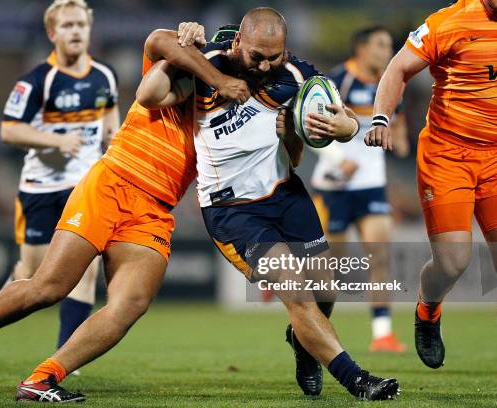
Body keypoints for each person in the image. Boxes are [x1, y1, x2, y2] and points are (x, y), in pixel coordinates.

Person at [0, 21, 251, 402]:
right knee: (49, 288)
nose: (240, 74)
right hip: (112, 183)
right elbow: (157, 41)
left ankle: (42, 379)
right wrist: (205, 63)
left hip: (155, 209)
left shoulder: (236, 112)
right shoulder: (179, 78)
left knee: (130, 304)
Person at [193, 7, 399, 401]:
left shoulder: (298, 76)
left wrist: (346, 127)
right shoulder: (204, 67)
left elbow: (342, 119)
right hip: (233, 209)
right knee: (297, 292)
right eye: (257, 56)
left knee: (326, 291)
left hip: (287, 196)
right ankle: (357, 380)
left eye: (276, 55)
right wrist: (183, 38)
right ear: (238, 42)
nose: (267, 64)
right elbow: (153, 78)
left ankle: (304, 346)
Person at [365, 0, 497, 369]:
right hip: (448, 156)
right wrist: (380, 118)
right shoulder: (448, 22)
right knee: (454, 262)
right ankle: (428, 310)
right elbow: (398, 68)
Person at [0, 0, 119, 356]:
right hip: (39, 189)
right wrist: (57, 139)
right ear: (52, 33)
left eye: (81, 24)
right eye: (67, 25)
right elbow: (9, 131)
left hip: (83, 187)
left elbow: (110, 125)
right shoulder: (37, 80)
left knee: (84, 272)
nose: (76, 31)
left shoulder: (105, 75)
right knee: (34, 280)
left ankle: (63, 361)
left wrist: (114, 148)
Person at [311, 26, 408, 353]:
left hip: (371, 186)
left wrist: (402, 138)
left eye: (389, 45)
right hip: (335, 186)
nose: (387, 51)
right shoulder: (337, 81)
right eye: (381, 45)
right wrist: (339, 159)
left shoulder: (391, 83)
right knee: (330, 271)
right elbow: (310, 128)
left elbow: (399, 123)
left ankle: (383, 334)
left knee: (379, 256)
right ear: (361, 48)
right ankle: (312, 332)